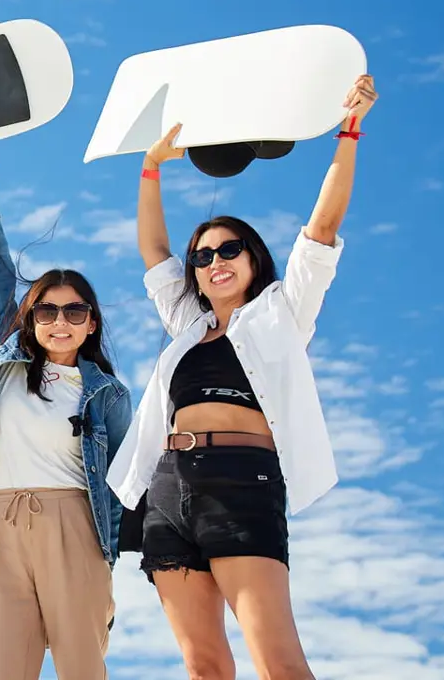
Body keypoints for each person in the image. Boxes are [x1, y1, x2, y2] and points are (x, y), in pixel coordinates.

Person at [105, 73, 379, 680]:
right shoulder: (185, 327)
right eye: (202, 256)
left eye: (229, 250)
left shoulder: (282, 313)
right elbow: (155, 252)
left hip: (241, 480)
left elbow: (323, 228)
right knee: (203, 666)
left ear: (253, 260)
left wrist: (349, 129)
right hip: (168, 491)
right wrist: (151, 167)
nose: (213, 262)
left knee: (278, 662)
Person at [0, 131, 133, 680]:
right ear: (30, 318)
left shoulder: (106, 393)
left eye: (73, 312)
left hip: (73, 523)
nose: (58, 322)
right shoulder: (6, 360)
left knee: (80, 666)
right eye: (45, 311)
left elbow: (120, 481)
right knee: (0, 669)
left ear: (90, 322)